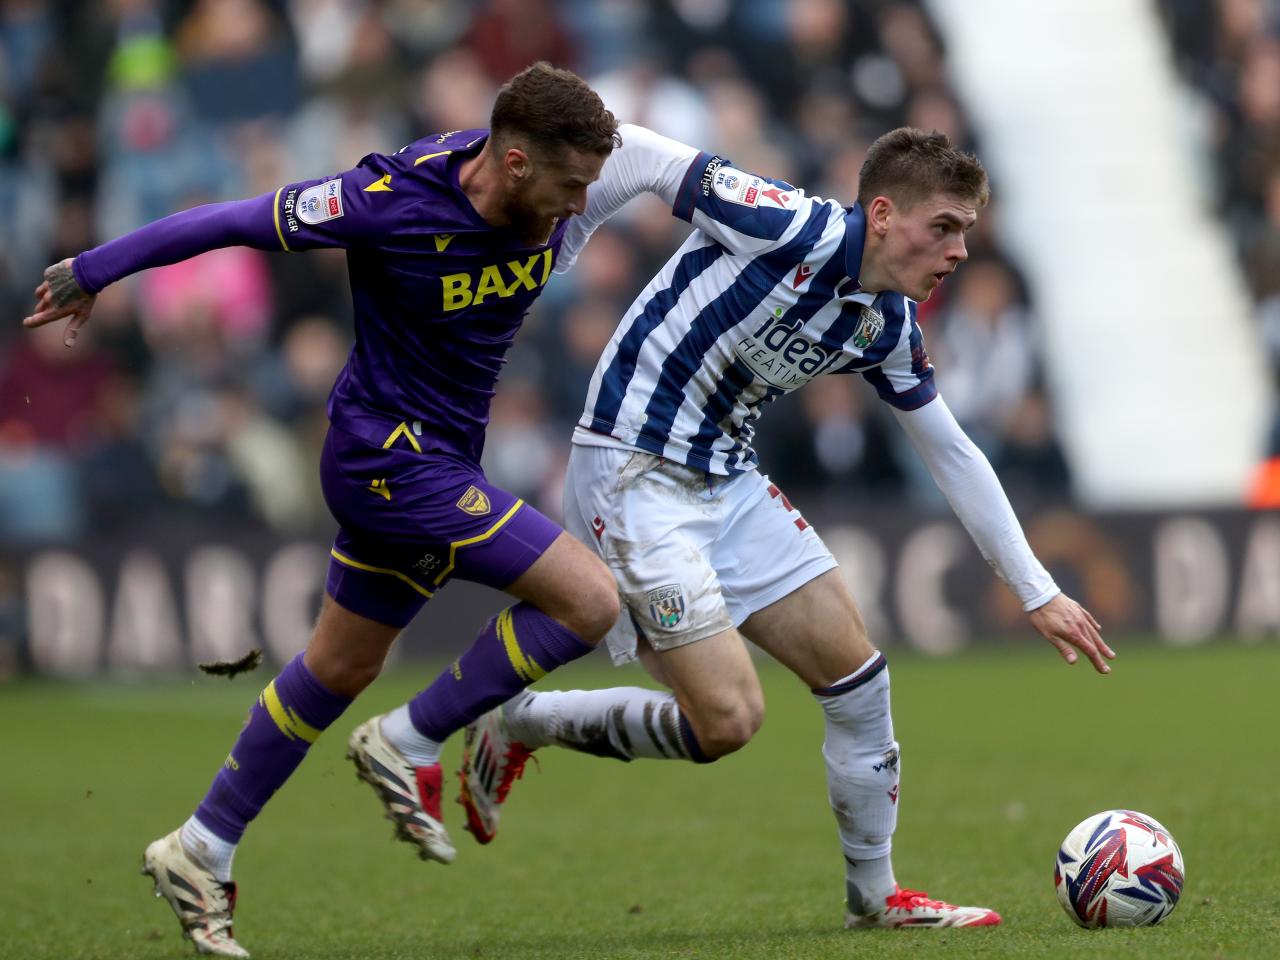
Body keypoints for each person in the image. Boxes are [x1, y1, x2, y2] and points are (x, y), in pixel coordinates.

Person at [23, 62, 626, 959]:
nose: (580, 207)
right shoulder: (387, 200)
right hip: (385, 456)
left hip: (441, 457)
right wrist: (95, 270)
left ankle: (199, 849)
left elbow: (664, 173)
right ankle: (411, 736)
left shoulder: (546, 188)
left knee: (336, 668)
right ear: (511, 161)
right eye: (570, 185)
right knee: (590, 600)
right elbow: (230, 220)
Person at [454, 125, 1117, 930]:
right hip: (633, 473)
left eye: (967, 232)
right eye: (943, 227)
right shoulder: (788, 224)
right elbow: (630, 145)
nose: (959, 252)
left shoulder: (890, 327)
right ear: (882, 213)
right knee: (728, 722)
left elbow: (952, 452)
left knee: (858, 677)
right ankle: (520, 719)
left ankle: (875, 898)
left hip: (726, 478)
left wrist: (1035, 589)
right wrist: (565, 242)